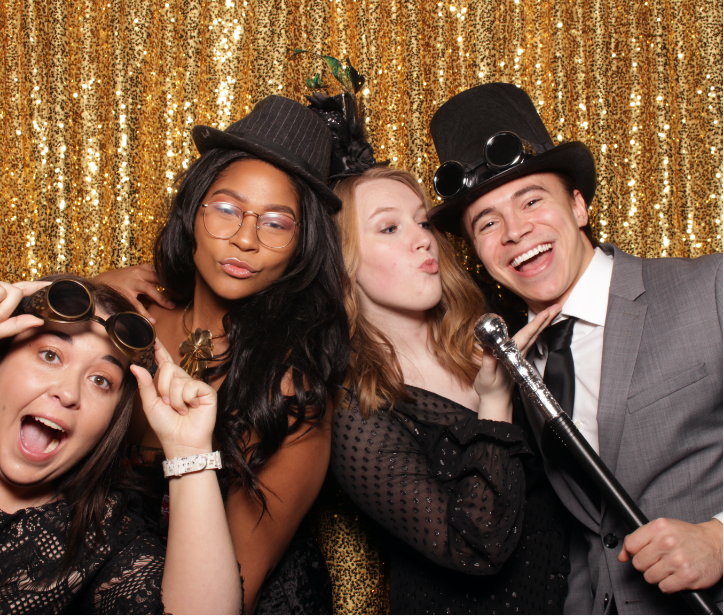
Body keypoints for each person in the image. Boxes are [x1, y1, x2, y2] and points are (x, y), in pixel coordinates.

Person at [427, 82, 723, 615]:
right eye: (487, 223)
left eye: (532, 200)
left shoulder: (712, 288)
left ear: (579, 206)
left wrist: (721, 539)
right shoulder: (515, 363)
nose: (516, 231)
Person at [96, 95, 349, 614]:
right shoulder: (127, 317)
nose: (244, 239)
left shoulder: (289, 393)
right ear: (193, 211)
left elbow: (233, 587)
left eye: (276, 223)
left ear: (302, 249)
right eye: (228, 210)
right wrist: (91, 294)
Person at [329, 164, 572, 614]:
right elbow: (475, 547)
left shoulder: (491, 331)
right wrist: (495, 403)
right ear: (344, 261)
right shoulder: (356, 412)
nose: (423, 238)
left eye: (423, 221)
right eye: (389, 227)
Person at [0, 275, 241, 615]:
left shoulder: (101, 540)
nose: (68, 393)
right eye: (51, 355)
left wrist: (190, 451)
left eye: (101, 380)